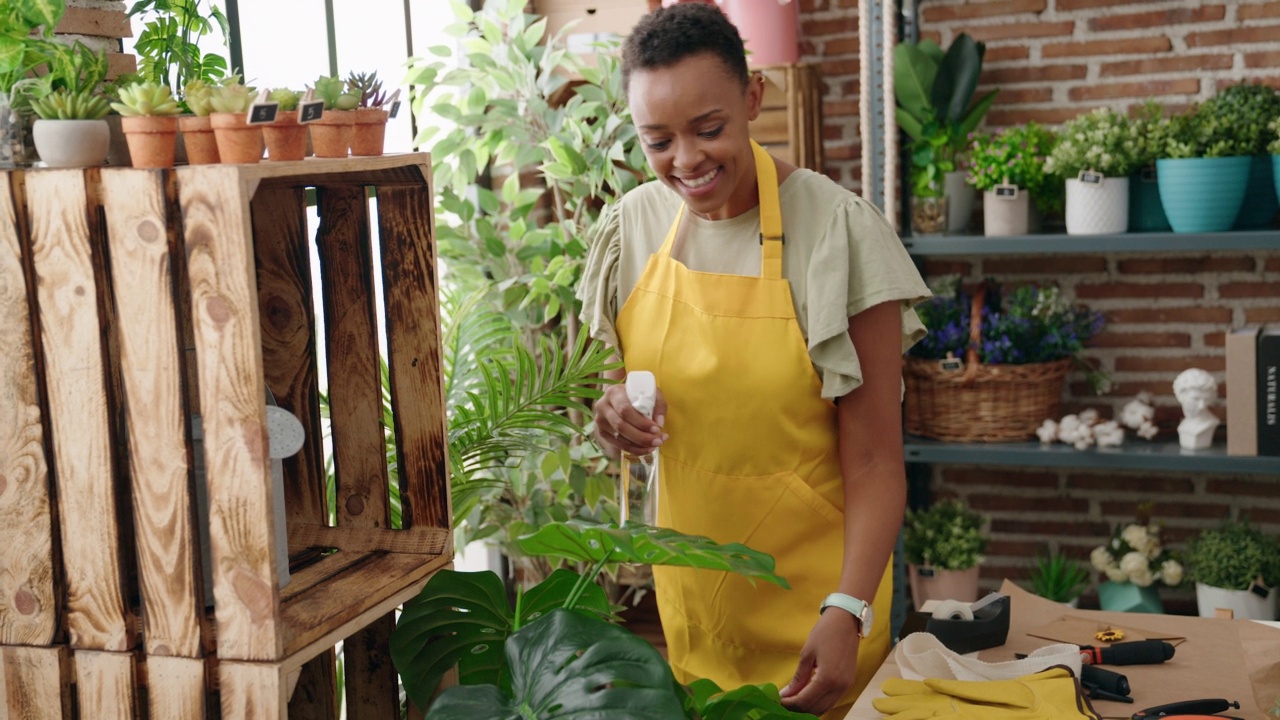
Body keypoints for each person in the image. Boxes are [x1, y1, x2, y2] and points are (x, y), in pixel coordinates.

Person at [576, 4, 931, 718]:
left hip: (822, 610)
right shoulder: (632, 227)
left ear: (754, 98)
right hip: (696, 601)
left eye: (709, 130)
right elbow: (616, 393)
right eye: (658, 141)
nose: (687, 161)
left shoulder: (837, 235)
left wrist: (849, 609)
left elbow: (874, 463)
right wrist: (611, 416)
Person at [1172, 368, 1219, 450]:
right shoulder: (1184, 424)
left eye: (1207, 399)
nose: (1202, 406)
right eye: (1196, 399)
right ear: (1181, 396)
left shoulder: (1210, 423)